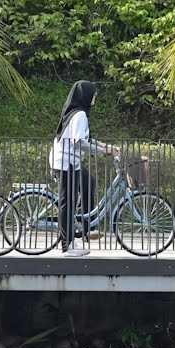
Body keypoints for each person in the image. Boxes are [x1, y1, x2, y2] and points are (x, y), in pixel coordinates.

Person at [49, 81, 118, 258]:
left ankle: (85, 227)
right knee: (68, 202)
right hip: (65, 163)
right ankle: (67, 245)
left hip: (70, 161)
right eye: (93, 94)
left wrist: (105, 147)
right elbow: (79, 142)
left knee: (89, 183)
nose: (95, 97)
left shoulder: (78, 113)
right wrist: (104, 151)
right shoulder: (79, 115)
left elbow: (86, 140)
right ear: (85, 95)